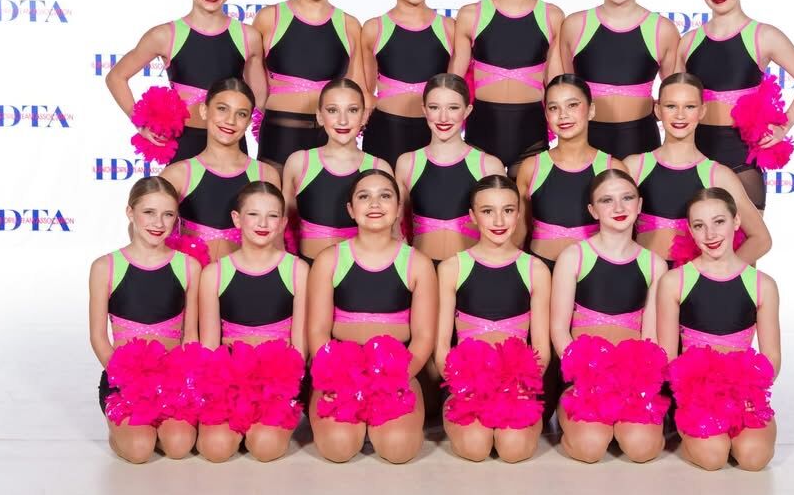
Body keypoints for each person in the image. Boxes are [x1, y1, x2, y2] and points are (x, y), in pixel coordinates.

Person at [677, 0, 794, 212]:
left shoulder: (763, 36)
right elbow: (675, 100)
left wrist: (783, 126)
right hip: (696, 157)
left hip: (742, 160)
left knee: (747, 238)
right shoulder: (688, 42)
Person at [307, 170, 437, 463]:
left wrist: (398, 379)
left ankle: (379, 422)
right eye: (364, 196)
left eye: (385, 196)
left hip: (396, 372)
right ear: (351, 210)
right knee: (338, 448)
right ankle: (356, 422)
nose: (375, 204)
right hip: (340, 371)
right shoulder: (329, 259)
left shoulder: (418, 263)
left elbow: (424, 336)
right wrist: (334, 378)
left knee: (398, 449)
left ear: (398, 209)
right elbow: (317, 331)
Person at [657, 188, 781, 471]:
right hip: (697, 393)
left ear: (736, 222)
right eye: (699, 226)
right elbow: (668, 355)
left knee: (754, 458)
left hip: (744, 392)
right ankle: (690, 436)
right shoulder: (675, 281)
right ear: (690, 231)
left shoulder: (763, 285)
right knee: (712, 458)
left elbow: (772, 355)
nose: (710, 234)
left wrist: (750, 391)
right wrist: (691, 395)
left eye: (719, 222)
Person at [550, 169, 668, 463]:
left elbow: (650, 337)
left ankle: (624, 426)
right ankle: (575, 420)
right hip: (585, 380)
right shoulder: (574, 257)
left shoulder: (654, 264)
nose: (618, 207)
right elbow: (559, 330)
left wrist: (638, 383)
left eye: (627, 198)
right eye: (606, 200)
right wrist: (585, 376)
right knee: (590, 448)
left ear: (639, 205)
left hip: (631, 382)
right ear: (593, 210)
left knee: (642, 449)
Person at [105, 0, 262, 162]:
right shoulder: (165, 35)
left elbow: (260, 99)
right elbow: (116, 77)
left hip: (231, 146)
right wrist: (140, 123)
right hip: (183, 145)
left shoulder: (248, 37)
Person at [435, 175, 551, 462]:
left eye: (508, 210)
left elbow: (541, 346)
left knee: (513, 450)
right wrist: (460, 386)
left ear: (519, 214)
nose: (499, 220)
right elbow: (441, 346)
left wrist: (525, 386)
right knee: (475, 448)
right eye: (488, 211)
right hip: (468, 382)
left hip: (517, 383)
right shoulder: (453, 267)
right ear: (473, 216)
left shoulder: (535, 269)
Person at [89, 177, 201, 463]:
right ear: (131, 212)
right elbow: (98, 337)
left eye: (168, 214)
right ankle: (123, 432)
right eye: (149, 212)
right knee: (139, 450)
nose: (158, 223)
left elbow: (190, 334)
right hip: (124, 382)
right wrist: (123, 379)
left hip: (172, 380)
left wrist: (185, 379)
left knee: (179, 446)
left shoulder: (188, 266)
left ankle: (158, 427)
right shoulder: (105, 267)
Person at [196, 181, 308, 463]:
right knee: (215, 449)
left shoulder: (297, 269)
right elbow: (209, 343)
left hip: (277, 380)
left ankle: (260, 428)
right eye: (253, 214)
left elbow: (299, 343)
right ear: (237, 219)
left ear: (283, 223)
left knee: (266, 448)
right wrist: (212, 389)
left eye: (272, 216)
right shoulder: (214, 273)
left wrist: (289, 386)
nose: (263, 223)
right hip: (230, 378)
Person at [449, 0, 564, 174]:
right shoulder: (471, 14)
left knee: (528, 201)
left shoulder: (551, 16)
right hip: (481, 134)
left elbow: (557, 84)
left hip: (531, 135)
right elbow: (453, 84)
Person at [623, 72, 771, 266]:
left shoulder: (719, 175)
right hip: (644, 279)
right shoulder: (635, 166)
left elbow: (761, 239)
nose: (680, 115)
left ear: (702, 111)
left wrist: (715, 273)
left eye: (690, 106)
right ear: (658, 110)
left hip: (691, 282)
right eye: (671, 106)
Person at [550, 0, 679, 159]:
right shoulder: (575, 25)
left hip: (642, 140)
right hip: (585, 142)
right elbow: (563, 88)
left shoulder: (662, 29)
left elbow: (678, 94)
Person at [252, 0, 365, 170]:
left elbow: (357, 91)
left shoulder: (350, 25)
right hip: (280, 136)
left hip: (332, 138)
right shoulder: (269, 18)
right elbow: (253, 84)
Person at [161, 78, 280, 262]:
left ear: (249, 121)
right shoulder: (177, 174)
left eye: (241, 114)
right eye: (222, 109)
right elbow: (146, 229)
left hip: (244, 277)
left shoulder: (266, 175)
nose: (230, 120)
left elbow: (276, 243)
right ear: (204, 110)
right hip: (192, 276)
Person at [360, 0, 455, 167]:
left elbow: (456, 91)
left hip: (435, 135)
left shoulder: (449, 28)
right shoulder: (374, 29)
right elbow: (365, 92)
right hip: (385, 133)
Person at [515, 74, 626, 272]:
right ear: (546, 115)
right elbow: (519, 234)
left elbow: (623, 236)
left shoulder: (612, 168)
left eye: (572, 105)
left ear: (591, 110)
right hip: (541, 273)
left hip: (596, 274)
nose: (563, 115)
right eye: (553, 108)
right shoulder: (531, 168)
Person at [396, 74, 505, 266]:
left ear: (467, 110)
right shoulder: (407, 163)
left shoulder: (489, 166)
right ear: (424, 110)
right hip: (421, 271)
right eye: (434, 107)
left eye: (453, 108)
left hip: (473, 272)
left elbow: (503, 226)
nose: (443, 117)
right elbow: (396, 225)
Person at [282, 78, 390, 265]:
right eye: (333, 110)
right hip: (308, 270)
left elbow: (391, 232)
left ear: (364, 116)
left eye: (352, 110)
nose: (343, 120)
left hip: (361, 271)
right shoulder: (299, 163)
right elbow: (283, 227)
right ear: (319, 116)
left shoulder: (379, 168)